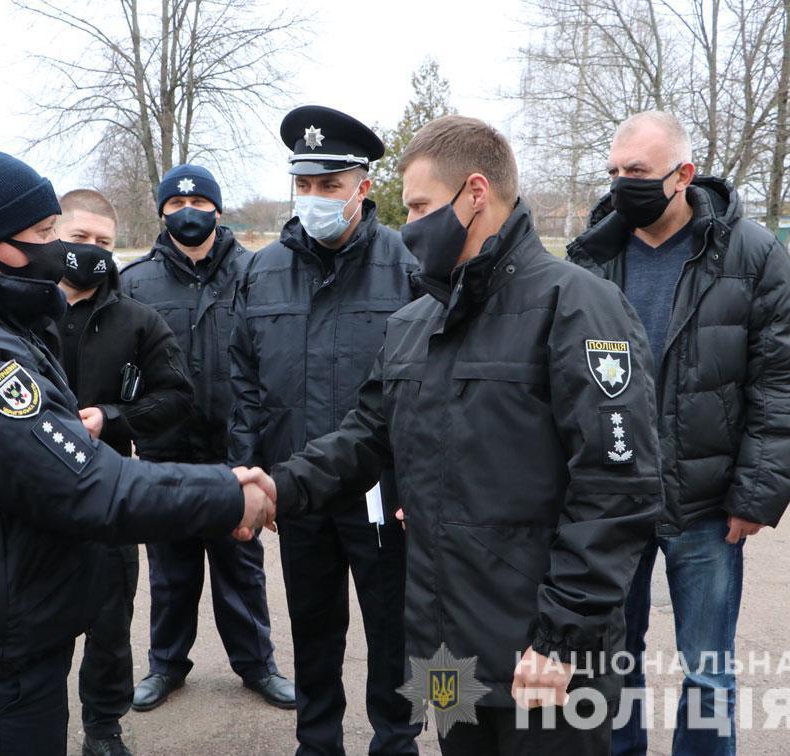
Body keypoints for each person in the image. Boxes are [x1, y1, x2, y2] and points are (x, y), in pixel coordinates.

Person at [0, 146, 275, 756]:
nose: (61, 251)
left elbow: (167, 397)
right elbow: (89, 487)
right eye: (46, 233)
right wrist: (228, 493)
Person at [268, 115, 662, 755]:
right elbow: (366, 434)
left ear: (475, 192)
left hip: (543, 655)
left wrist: (564, 635)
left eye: (421, 205)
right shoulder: (416, 322)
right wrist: (272, 488)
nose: (410, 222)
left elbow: (616, 487)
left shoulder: (578, 305)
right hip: (444, 650)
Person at [567, 111, 790, 756]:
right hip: (613, 499)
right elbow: (561, 386)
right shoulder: (592, 256)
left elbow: (781, 381)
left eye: (638, 173)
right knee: (611, 664)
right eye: (615, 172)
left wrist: (757, 492)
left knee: (707, 671)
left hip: (706, 502)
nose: (622, 185)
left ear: (684, 175)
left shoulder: (751, 253)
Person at [228, 105, 420, 755]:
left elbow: (427, 390)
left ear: (363, 186)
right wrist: (251, 477)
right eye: (304, 185)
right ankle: (318, 743)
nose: (313, 199)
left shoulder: (409, 266)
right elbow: (243, 385)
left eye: (329, 186)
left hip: (379, 494)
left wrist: (412, 484)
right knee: (313, 632)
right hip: (297, 491)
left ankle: (396, 742)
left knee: (394, 635)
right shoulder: (261, 272)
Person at [120, 163, 294, 712]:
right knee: (170, 571)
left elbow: (272, 363)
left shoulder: (254, 272)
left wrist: (263, 454)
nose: (187, 213)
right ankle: (165, 666)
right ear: (163, 212)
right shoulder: (135, 282)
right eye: (174, 206)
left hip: (234, 454)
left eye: (198, 204)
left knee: (241, 567)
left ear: (217, 210)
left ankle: (257, 665)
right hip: (165, 454)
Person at [44, 189, 194, 756]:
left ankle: (103, 728)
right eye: (79, 238)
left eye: (103, 242)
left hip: (108, 494)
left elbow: (177, 396)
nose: (91, 251)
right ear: (54, 233)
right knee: (37, 619)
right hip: (30, 494)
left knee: (110, 622)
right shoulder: (18, 315)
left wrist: (113, 417)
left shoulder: (138, 320)